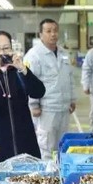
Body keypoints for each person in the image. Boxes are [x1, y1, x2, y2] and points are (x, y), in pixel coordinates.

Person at [0, 30, 45, 175]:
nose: (2, 53)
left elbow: (39, 91)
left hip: (26, 141)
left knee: (31, 182)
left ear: (12, 49)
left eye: (6, 48)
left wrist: (23, 69)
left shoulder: (19, 73)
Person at [24, 19, 76, 160]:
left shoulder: (64, 53)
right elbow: (29, 81)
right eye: (48, 31)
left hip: (63, 108)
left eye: (55, 30)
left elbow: (69, 77)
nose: (53, 34)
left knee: (63, 146)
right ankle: (47, 173)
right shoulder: (34, 55)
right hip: (46, 109)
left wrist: (72, 99)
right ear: (41, 34)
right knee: (46, 147)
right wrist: (33, 105)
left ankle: (60, 171)